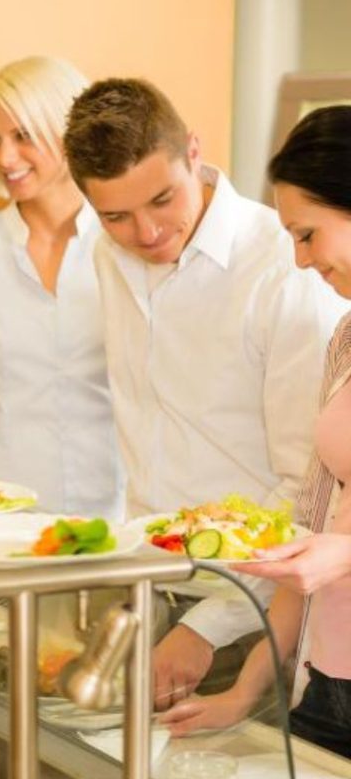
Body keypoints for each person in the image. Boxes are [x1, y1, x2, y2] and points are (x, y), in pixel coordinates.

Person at [62, 78, 346, 709]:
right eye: (115, 216)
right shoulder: (109, 258)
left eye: (162, 199)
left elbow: (308, 485)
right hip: (148, 587)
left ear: (194, 151)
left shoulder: (289, 267)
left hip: (248, 614)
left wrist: (207, 625)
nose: (146, 231)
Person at [161, 105, 351, 756]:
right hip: (330, 681)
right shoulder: (346, 339)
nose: (299, 262)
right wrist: (245, 692)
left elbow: (334, 548)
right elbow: (314, 522)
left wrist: (343, 553)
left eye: (308, 235)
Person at [0, 57, 124, 517]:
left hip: (119, 515)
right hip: (3, 517)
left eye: (23, 136)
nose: (4, 158)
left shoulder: (125, 249)